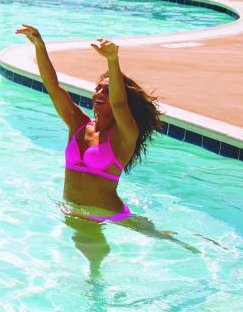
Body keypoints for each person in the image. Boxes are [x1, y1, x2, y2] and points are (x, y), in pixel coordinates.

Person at [15, 25, 161, 223]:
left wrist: (112, 59)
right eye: (98, 88)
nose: (99, 94)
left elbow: (119, 104)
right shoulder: (79, 124)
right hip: (70, 212)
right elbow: (53, 87)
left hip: (110, 218)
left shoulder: (124, 135)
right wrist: (40, 46)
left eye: (107, 91)